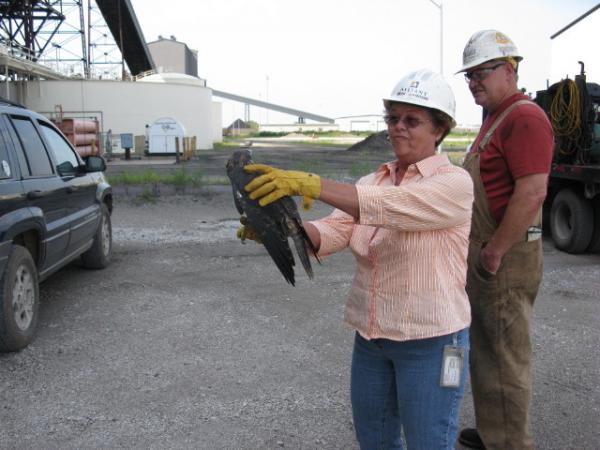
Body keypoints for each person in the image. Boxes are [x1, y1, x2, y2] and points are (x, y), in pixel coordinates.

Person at [240, 68, 474, 450]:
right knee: (375, 441)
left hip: (433, 342)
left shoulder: (454, 183)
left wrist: (311, 184)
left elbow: (392, 208)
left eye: (411, 120)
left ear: (440, 129)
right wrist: (282, 229)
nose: (398, 127)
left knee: (430, 441)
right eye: (392, 118)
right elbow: (336, 230)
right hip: (372, 338)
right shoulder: (371, 181)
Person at [456, 30, 554, 450]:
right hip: (489, 250)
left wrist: (494, 252)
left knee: (506, 355)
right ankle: (494, 431)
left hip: (505, 256)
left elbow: (532, 191)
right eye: (470, 76)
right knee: (487, 350)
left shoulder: (524, 117)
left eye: (482, 72)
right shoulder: (495, 118)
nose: (474, 81)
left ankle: (513, 443)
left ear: (509, 70)